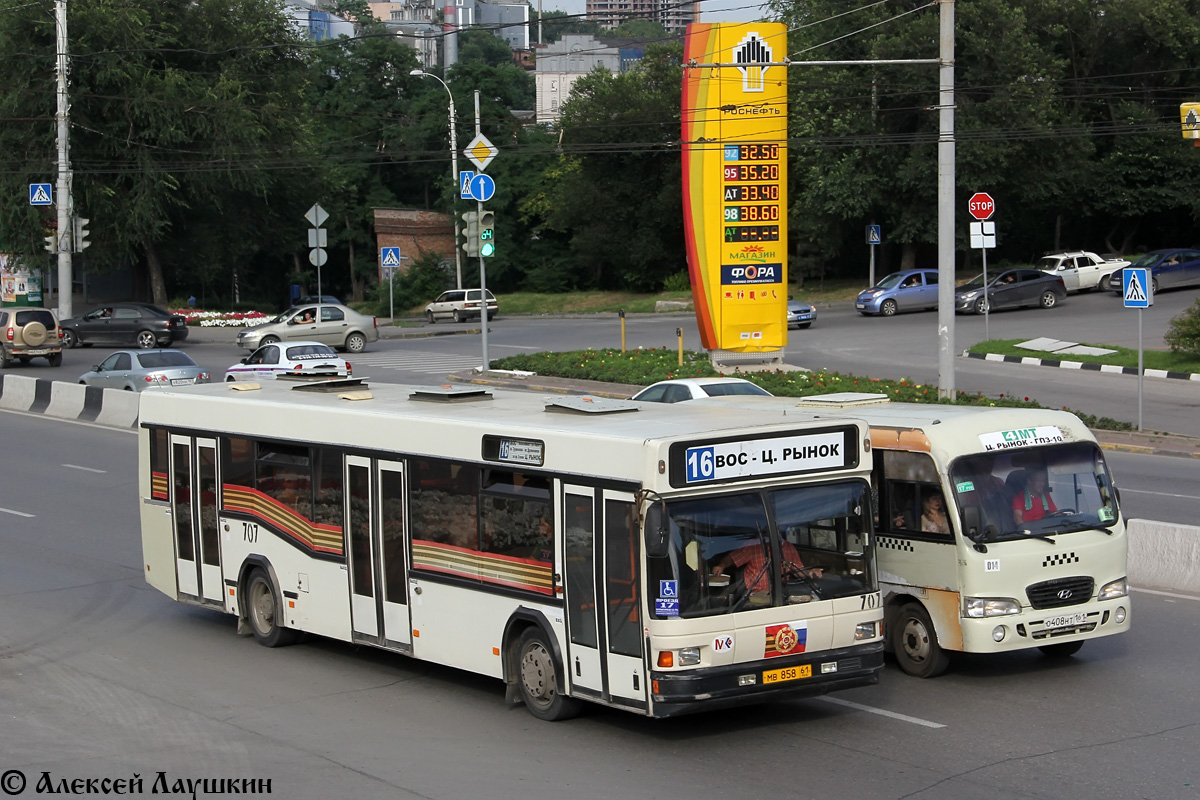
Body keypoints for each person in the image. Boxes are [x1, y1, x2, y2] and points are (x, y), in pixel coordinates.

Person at [711, 540, 822, 593]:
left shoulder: (788, 547)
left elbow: (799, 570)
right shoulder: (753, 547)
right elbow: (731, 558)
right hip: (754, 595)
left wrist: (810, 572)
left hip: (781, 593)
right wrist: (721, 565)